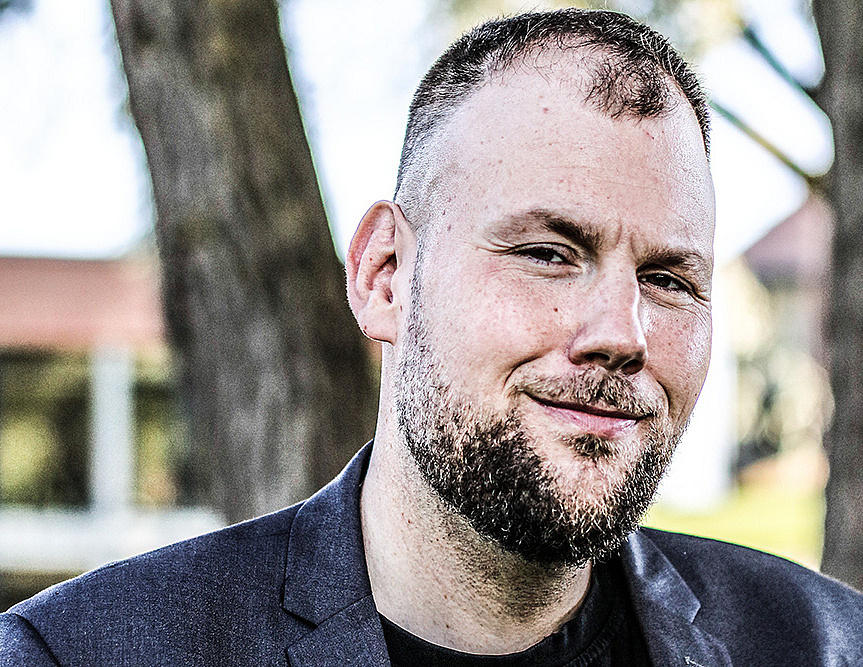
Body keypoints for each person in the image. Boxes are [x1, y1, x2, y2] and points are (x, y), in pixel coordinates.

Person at [2, 8, 862, 666]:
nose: (620, 334)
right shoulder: (81, 652)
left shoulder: (827, 644)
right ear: (385, 275)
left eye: (668, 278)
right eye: (547, 253)